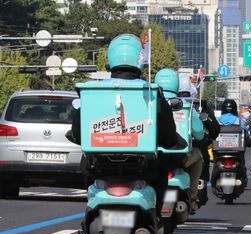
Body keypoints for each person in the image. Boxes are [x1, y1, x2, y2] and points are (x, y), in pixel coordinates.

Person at [70, 34, 185, 217]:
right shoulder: (152, 93)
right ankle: (156, 215)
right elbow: (168, 134)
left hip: (100, 166)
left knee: (85, 161)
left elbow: (77, 130)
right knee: (162, 163)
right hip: (142, 167)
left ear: (110, 58)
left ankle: (90, 209)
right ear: (140, 60)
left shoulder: (92, 91)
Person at [154, 68, 205, 210]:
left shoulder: (149, 103)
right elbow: (199, 134)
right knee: (198, 156)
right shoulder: (186, 106)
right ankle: (193, 196)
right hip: (180, 158)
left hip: (153, 157)